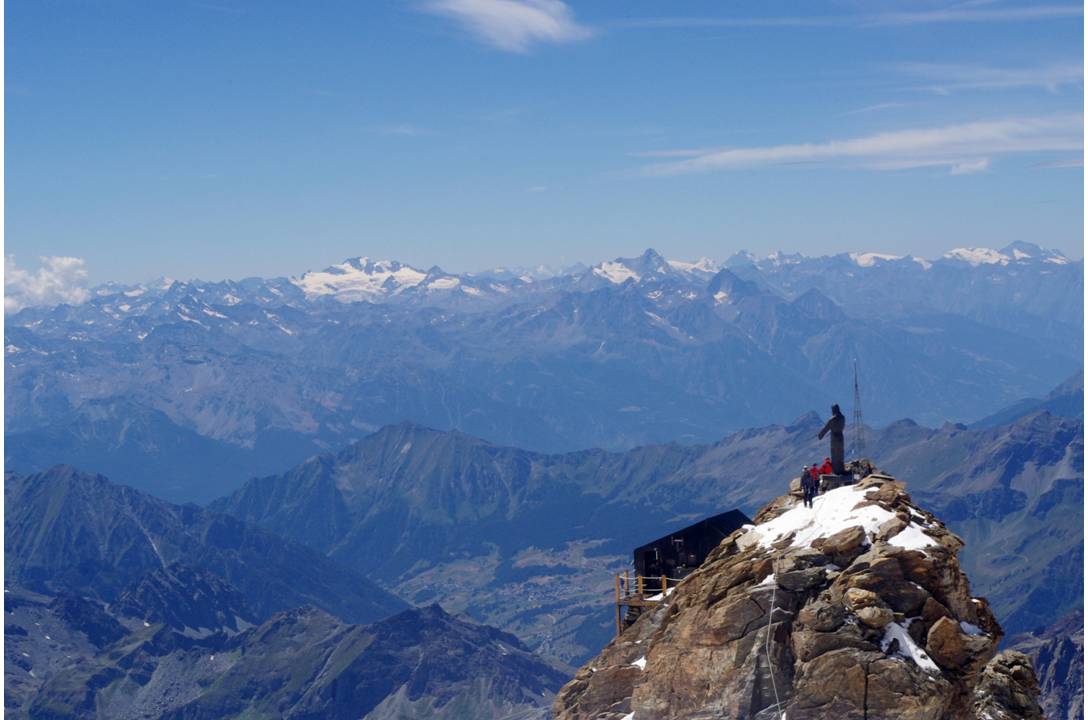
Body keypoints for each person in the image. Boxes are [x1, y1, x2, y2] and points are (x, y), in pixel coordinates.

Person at [818, 404, 847, 475]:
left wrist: (820, 436)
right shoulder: (843, 418)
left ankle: (836, 472)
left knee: (835, 456)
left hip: (834, 439)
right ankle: (841, 470)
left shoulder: (832, 419)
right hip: (841, 438)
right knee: (840, 455)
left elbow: (825, 429)